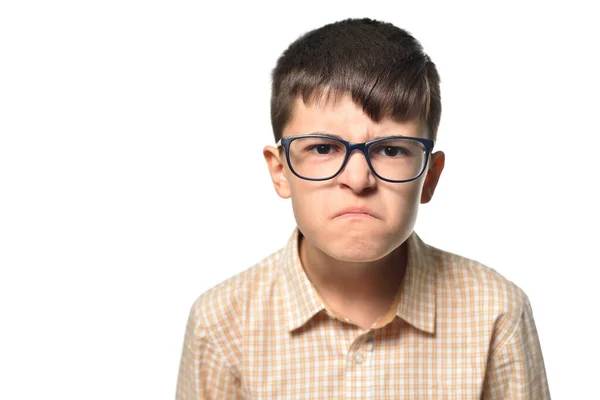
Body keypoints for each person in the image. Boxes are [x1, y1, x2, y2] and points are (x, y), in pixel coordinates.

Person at [176, 17, 550, 399]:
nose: (358, 179)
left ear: (430, 177)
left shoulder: (495, 313)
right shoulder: (221, 324)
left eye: (391, 150)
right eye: (323, 148)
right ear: (280, 170)